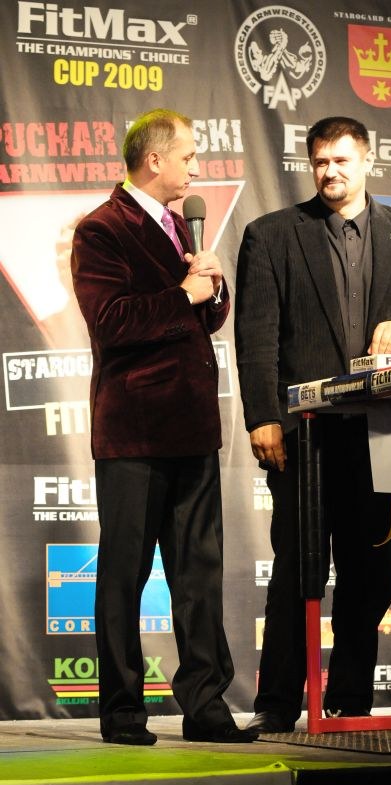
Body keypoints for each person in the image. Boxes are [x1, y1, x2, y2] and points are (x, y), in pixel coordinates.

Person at [235, 116, 391, 734]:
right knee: (295, 569)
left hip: (385, 433)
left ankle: (351, 702)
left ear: (367, 161)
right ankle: (278, 705)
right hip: (303, 435)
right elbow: (256, 338)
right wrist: (263, 417)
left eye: (341, 160)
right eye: (320, 162)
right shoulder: (271, 234)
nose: (330, 172)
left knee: (372, 573)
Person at [71, 108, 256, 746]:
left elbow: (202, 319)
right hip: (135, 431)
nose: (196, 168)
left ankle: (206, 706)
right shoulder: (102, 228)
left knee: (199, 574)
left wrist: (214, 289)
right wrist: (184, 294)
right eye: (188, 156)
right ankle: (123, 711)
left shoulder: (180, 225)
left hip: (193, 428)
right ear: (154, 160)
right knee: (124, 574)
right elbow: (112, 322)